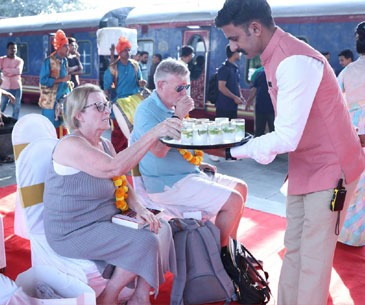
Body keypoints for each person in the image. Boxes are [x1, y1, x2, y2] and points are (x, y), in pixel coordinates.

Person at [213, 1, 365, 304]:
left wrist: (232, 151)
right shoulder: (275, 55)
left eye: (234, 38)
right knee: (294, 249)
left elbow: (285, 137)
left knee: (314, 259)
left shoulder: (294, 60)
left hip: (332, 170)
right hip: (305, 167)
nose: (232, 46)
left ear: (255, 28)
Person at [43, 83, 180, 305]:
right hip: (73, 230)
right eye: (99, 106)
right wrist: (154, 132)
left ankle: (139, 296)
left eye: (106, 104)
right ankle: (109, 297)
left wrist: (141, 209)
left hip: (107, 220)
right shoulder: (70, 145)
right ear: (79, 115)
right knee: (145, 241)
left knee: (161, 226)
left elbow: (122, 185)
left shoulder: (105, 144)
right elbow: (114, 168)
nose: (107, 110)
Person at [132, 58, 247, 250]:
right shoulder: (147, 110)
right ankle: (217, 257)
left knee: (241, 187)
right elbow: (159, 151)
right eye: (179, 88)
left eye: (186, 87)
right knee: (234, 200)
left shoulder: (171, 107)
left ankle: (231, 248)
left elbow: (182, 146)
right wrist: (178, 115)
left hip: (188, 174)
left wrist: (197, 164)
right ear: (161, 85)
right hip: (166, 183)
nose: (185, 93)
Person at [338, 21, 365, 247]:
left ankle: (346, 233)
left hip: (352, 131)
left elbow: (335, 103)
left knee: (351, 181)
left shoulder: (348, 71)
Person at [104, 36, 147, 152]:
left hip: (134, 102)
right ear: (119, 52)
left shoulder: (135, 65)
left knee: (136, 131)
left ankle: (133, 156)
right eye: (124, 50)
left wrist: (141, 83)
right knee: (119, 133)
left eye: (128, 50)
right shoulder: (113, 68)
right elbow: (107, 89)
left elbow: (139, 81)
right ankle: (118, 158)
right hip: (119, 104)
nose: (127, 52)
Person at [39, 29, 71, 137]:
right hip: (50, 102)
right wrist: (62, 80)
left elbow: (65, 81)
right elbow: (43, 81)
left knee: (63, 127)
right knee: (50, 129)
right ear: (59, 47)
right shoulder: (49, 61)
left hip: (62, 101)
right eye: (65, 46)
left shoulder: (65, 61)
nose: (68, 48)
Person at [216, 44, 245, 119]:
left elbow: (237, 84)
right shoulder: (224, 69)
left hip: (232, 106)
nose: (240, 55)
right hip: (224, 106)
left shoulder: (234, 68)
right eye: (239, 52)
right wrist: (235, 98)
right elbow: (221, 87)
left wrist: (240, 96)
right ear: (235, 54)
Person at [246, 68, 274, 137]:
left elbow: (254, 90)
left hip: (260, 107)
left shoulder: (259, 73)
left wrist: (249, 102)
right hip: (272, 108)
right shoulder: (276, 73)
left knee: (259, 131)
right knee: (273, 131)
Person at [0, 42, 24, 120]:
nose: (13, 50)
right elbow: (1, 71)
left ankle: (14, 125)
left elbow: (18, 71)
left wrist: (5, 70)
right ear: (7, 49)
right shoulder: (2, 59)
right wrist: (12, 71)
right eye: (11, 48)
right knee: (1, 106)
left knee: (16, 108)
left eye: (15, 49)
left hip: (16, 88)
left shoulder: (20, 60)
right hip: (4, 88)